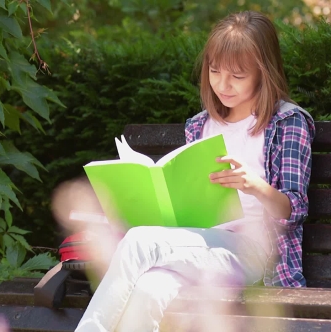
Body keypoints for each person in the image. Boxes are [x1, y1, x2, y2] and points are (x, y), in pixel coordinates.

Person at [73, 11, 316, 332]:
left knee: (139, 242)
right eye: (215, 71)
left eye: (238, 76)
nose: (223, 84)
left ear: (263, 72)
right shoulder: (200, 125)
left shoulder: (287, 123)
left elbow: (295, 208)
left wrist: (255, 186)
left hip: (255, 252)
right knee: (149, 290)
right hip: (196, 245)